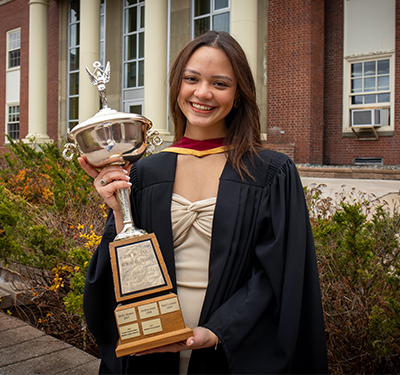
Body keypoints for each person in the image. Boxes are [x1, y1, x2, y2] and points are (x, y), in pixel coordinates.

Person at [80, 30, 328, 374]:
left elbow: (278, 275)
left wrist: (215, 332)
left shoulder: (270, 173)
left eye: (220, 83)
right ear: (176, 86)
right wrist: (118, 211)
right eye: (191, 79)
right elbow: (115, 276)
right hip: (153, 353)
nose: (202, 93)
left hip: (231, 352)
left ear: (239, 95)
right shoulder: (145, 172)